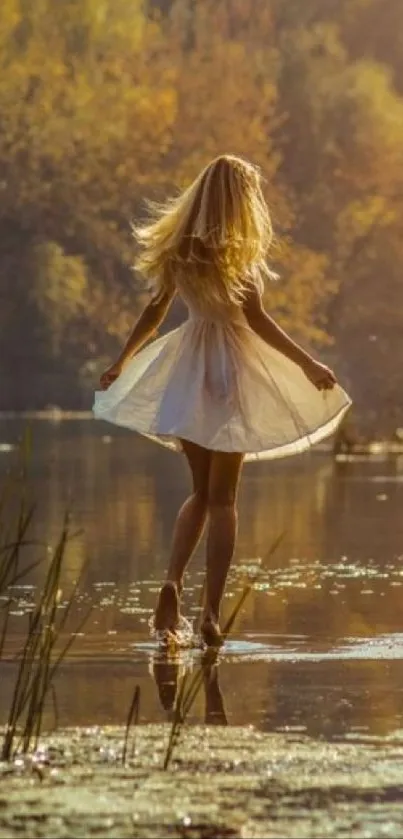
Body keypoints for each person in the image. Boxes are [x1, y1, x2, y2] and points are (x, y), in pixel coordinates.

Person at [93, 154, 351, 647]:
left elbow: (154, 312)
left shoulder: (180, 249)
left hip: (188, 370)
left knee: (199, 492)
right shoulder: (237, 253)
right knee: (224, 499)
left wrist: (123, 360)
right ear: (240, 201)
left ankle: (172, 582)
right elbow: (255, 320)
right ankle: (210, 613)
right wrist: (307, 363)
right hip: (230, 371)